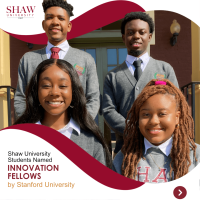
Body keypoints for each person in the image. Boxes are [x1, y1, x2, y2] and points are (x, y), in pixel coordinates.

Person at [102, 12, 179, 156]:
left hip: (162, 149)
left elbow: (176, 103)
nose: (136, 36)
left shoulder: (165, 69)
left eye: (142, 32)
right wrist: (133, 128)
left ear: (149, 36)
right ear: (124, 37)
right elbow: (108, 110)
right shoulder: (112, 76)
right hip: (125, 149)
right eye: (130, 32)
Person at [14, 59, 111, 168]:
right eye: (46, 85)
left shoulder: (92, 142)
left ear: (73, 92)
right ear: (36, 91)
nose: (54, 92)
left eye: (63, 86)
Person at [14, 0, 99, 119]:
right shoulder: (28, 60)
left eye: (61, 18)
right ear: (43, 25)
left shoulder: (85, 59)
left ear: (69, 26)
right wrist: (32, 125)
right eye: (50, 17)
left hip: (74, 134)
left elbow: (93, 98)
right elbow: (20, 98)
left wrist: (79, 125)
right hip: (38, 133)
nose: (55, 22)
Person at [113, 79, 200, 183]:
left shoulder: (195, 156)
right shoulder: (123, 158)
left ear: (177, 117)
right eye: (146, 114)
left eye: (162, 114)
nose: (153, 121)